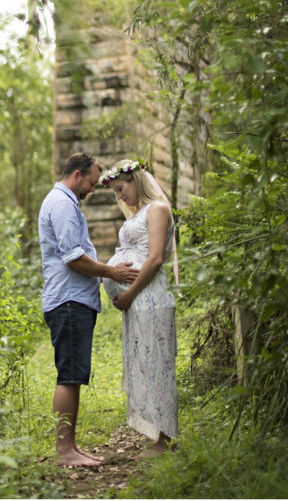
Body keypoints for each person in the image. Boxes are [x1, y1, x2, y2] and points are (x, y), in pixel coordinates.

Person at [38, 152, 140, 467]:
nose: (93, 189)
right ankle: (64, 451)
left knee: (75, 375)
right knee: (68, 375)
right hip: (68, 301)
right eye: (92, 183)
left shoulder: (66, 203)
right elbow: (73, 257)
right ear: (77, 175)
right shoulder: (61, 204)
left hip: (75, 301)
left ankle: (71, 446)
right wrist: (112, 272)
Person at [100, 159, 179, 456]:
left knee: (158, 365)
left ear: (136, 181)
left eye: (121, 188)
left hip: (150, 297)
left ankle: (164, 441)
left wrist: (130, 294)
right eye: (116, 192)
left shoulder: (157, 209)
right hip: (138, 302)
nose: (120, 196)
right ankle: (156, 433)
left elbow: (155, 258)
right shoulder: (139, 213)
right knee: (145, 364)